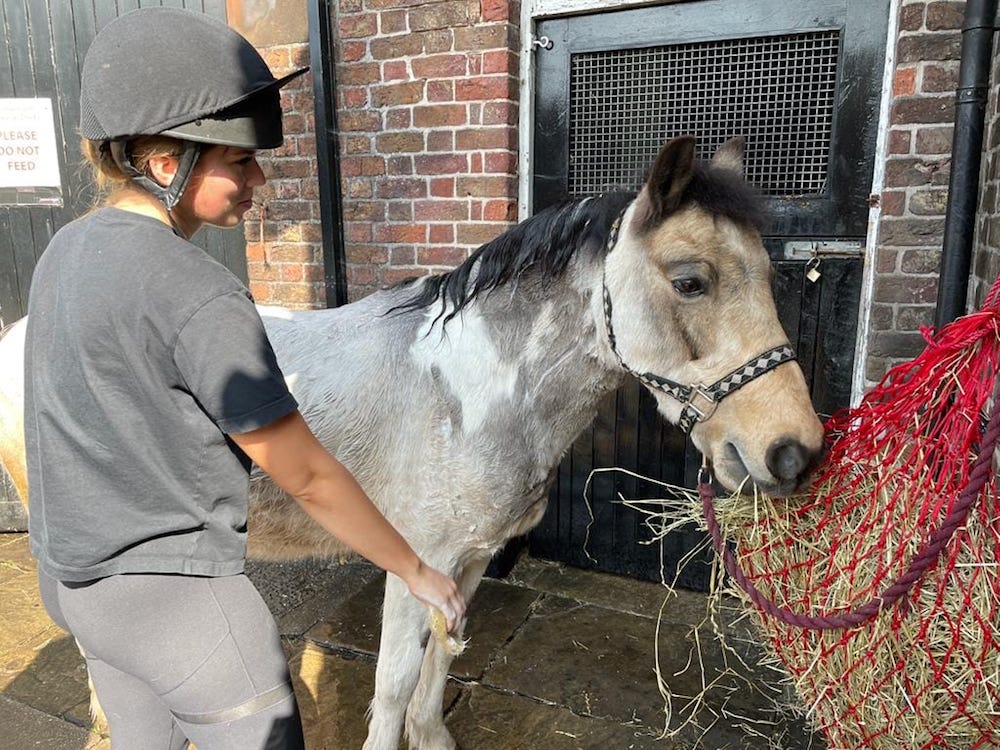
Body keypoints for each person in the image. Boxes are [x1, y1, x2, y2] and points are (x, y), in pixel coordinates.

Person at [23, 8, 465, 749]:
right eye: (238, 162)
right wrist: (417, 569)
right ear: (165, 162)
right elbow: (309, 476)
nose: (259, 179)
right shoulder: (199, 293)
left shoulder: (64, 252)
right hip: (181, 615)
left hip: (77, 591)